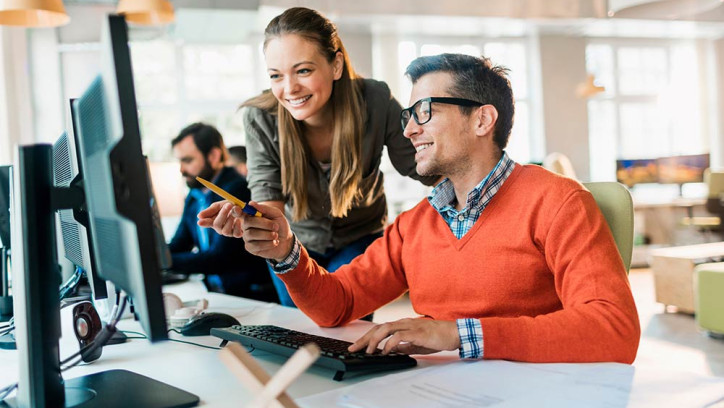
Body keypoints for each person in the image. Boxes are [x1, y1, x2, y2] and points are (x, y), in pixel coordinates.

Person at [200, 53, 641, 364]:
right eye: (409, 113)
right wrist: (286, 252)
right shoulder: (415, 225)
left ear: (482, 120)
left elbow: (613, 328)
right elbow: (338, 304)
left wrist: (456, 333)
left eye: (424, 111)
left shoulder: (559, 201)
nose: (408, 129)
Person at [237, 7, 437, 308]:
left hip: (359, 237)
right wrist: (255, 224)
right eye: (276, 75)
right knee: (301, 332)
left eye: (303, 70)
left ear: (336, 66)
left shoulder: (374, 100)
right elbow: (267, 195)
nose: (289, 88)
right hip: (294, 242)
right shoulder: (260, 117)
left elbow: (423, 166)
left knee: (347, 332)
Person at [169, 122, 275, 302]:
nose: (181, 169)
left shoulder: (237, 190)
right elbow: (180, 243)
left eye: (187, 160)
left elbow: (220, 258)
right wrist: (151, 256)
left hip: (249, 297)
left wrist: (163, 262)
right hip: (217, 294)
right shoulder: (194, 195)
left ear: (213, 156)